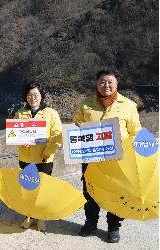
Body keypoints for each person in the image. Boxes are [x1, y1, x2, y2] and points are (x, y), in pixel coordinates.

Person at [73, 69, 142, 243]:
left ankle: (113, 227)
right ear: (97, 84)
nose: (106, 86)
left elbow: (136, 133)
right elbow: (76, 124)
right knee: (90, 192)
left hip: (118, 160)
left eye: (110, 82)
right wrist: (78, 128)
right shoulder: (86, 104)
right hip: (91, 158)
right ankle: (91, 223)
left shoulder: (128, 105)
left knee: (117, 193)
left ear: (116, 84)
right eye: (102, 82)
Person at [14, 83, 62, 232]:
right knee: (27, 188)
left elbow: (57, 135)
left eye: (35, 94)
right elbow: (15, 134)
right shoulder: (20, 113)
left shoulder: (51, 113)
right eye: (29, 95)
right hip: (26, 157)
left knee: (42, 189)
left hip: (44, 158)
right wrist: (22, 142)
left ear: (41, 96)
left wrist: (48, 150)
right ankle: (28, 216)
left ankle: (41, 217)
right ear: (25, 97)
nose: (32, 97)